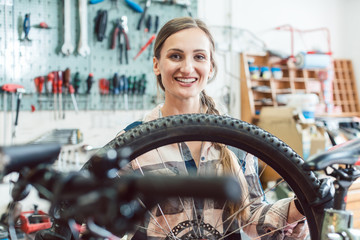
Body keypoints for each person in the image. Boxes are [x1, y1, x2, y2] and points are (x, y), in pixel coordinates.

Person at [92, 17, 308, 239]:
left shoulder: (238, 139)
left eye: (199, 57)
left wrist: (298, 207)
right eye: (176, 56)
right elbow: (106, 222)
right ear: (157, 64)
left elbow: (251, 217)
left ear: (210, 66)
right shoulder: (133, 143)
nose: (187, 68)